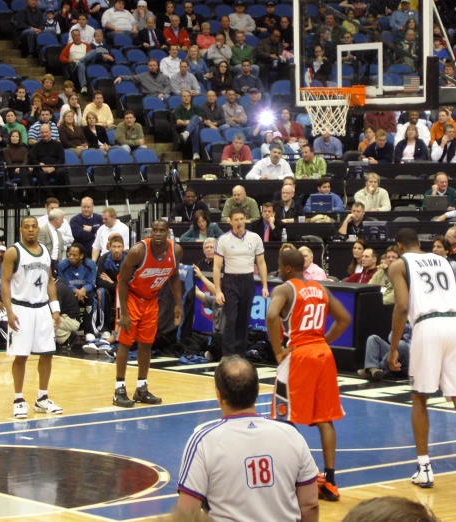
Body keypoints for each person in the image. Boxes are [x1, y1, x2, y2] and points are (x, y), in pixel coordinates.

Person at [387, 227, 456, 495]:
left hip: (428, 324)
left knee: (420, 397)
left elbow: (402, 306)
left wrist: (394, 347)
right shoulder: (443, 260)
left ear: (399, 246)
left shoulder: (399, 264)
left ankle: (424, 467)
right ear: (419, 243)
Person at [177, 355, 320, 521]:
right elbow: (310, 504)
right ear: (257, 390)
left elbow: (186, 514)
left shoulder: (203, 442)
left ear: (218, 395)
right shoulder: (291, 435)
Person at [266, 249, 352, 501]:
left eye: (280, 266)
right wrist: (322, 340)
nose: (278, 270)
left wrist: (277, 350)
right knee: (325, 419)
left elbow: (271, 316)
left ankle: (309, 475)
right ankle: (331, 480)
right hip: (323, 355)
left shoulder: (284, 289)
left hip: (299, 355)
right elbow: (344, 318)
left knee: (282, 418)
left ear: (288, 269)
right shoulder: (321, 289)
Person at [113, 220, 182, 407]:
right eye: (155, 230)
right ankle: (119, 389)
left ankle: (141, 388)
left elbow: (174, 277)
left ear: (168, 233)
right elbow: (122, 282)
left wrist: (178, 304)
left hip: (151, 300)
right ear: (151, 232)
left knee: (146, 344)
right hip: (131, 297)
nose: (158, 233)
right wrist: (124, 313)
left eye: (162, 230)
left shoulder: (175, 251)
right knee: (126, 343)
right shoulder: (138, 251)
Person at [1, 216, 63, 419]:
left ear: (38, 229)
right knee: (21, 356)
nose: (30, 230)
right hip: (21, 309)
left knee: (47, 353)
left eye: (33, 227)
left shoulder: (45, 251)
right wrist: (9, 311)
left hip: (42, 308)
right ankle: (18, 399)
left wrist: (55, 309)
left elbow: (50, 282)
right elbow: (5, 282)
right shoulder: (14, 252)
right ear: (21, 230)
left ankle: (42, 398)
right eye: (26, 227)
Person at [213, 208, 268, 358]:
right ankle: (228, 355)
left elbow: (261, 263)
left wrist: (264, 285)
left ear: (246, 220)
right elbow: (217, 267)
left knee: (243, 319)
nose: (239, 222)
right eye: (236, 220)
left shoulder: (255, 238)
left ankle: (240, 354)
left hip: (248, 280)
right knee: (231, 319)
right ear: (230, 222)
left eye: (242, 219)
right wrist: (218, 290)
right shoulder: (223, 239)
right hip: (230, 281)